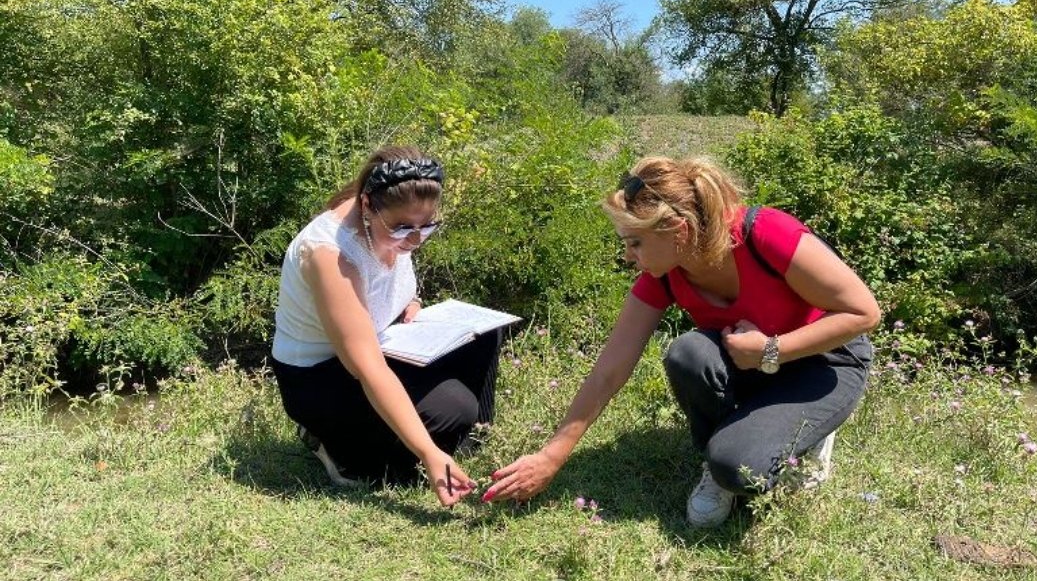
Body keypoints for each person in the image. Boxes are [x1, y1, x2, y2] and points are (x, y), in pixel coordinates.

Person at [483, 156, 880, 527]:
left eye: (634, 242)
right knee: (689, 354)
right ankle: (720, 456)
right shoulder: (666, 274)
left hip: (827, 362)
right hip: (754, 361)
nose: (626, 255)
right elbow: (611, 367)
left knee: (739, 467)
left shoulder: (766, 233)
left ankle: (807, 438)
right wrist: (552, 456)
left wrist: (770, 350)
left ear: (679, 230)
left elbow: (864, 313)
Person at [271, 145, 499, 506]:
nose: (413, 239)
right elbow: (367, 367)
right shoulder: (329, 255)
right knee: (451, 408)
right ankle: (343, 452)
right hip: (319, 379)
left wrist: (409, 300)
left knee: (482, 333)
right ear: (366, 206)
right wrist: (426, 450)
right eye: (403, 228)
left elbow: (386, 282)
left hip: (378, 344)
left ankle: (467, 438)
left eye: (426, 228)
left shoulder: (386, 220)